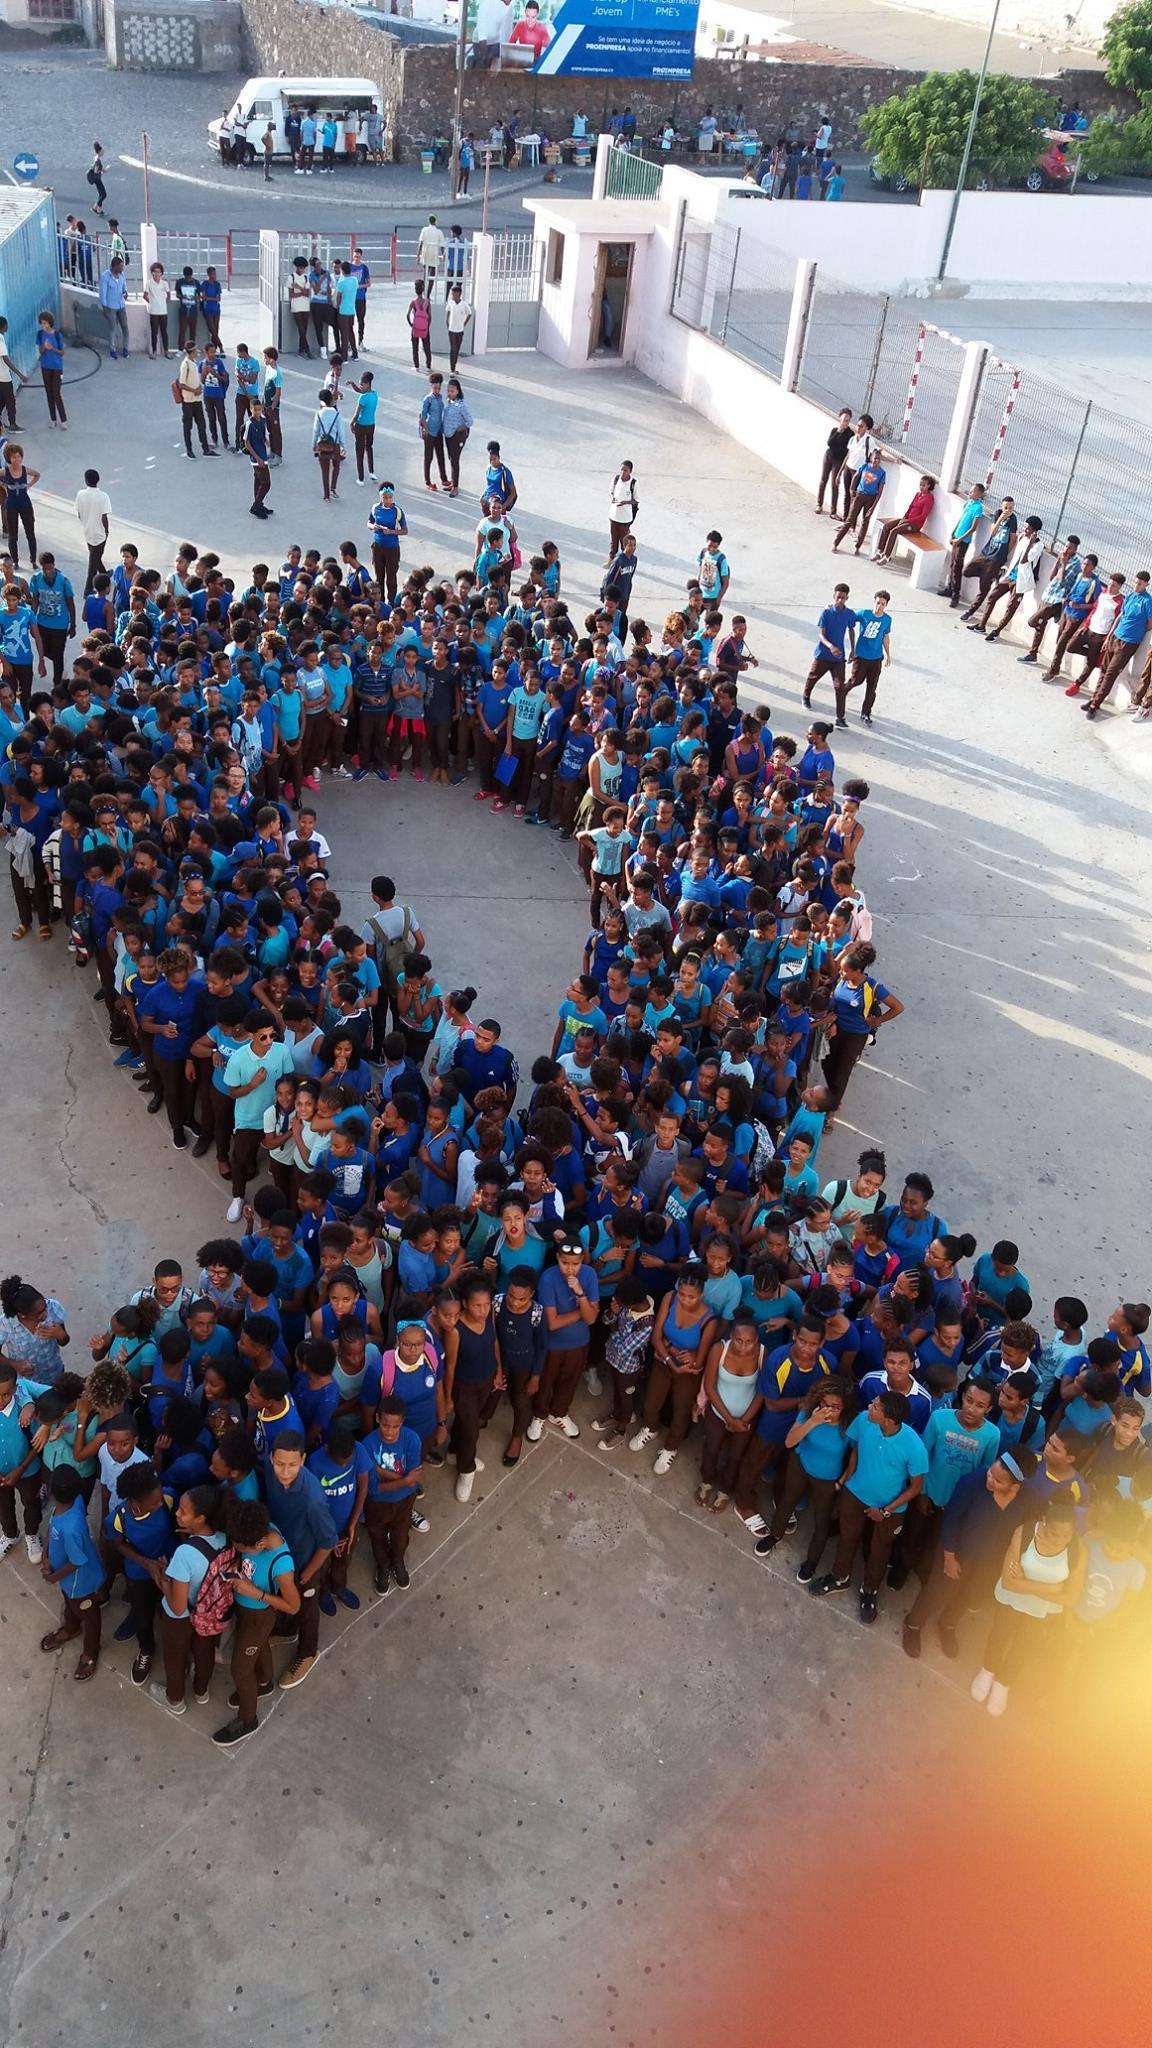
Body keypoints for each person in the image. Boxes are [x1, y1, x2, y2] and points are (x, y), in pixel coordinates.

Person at [970, 1492, 1085, 1716]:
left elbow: (1071, 1598)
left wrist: (1024, 1583)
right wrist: (1052, 1589)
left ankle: (1003, 1683)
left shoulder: (1078, 1551)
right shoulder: (1024, 1533)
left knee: (1024, 1645)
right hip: (1011, 1601)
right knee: (999, 1635)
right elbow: (1008, 1582)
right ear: (1044, 1522)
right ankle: (988, 1669)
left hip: (1040, 1611)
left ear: (1073, 1532)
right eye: (1054, 1533)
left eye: (1066, 1535)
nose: (1059, 1540)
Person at [873, 475, 935, 563]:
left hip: (914, 525)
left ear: (929, 486)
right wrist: (904, 518)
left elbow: (923, 516)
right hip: (907, 520)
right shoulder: (918, 494)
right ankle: (880, 551)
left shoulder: (929, 499)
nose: (921, 487)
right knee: (887, 526)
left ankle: (887, 556)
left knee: (894, 531)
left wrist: (907, 521)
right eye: (920, 485)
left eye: (923, 485)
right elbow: (910, 507)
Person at [74, 468, 111, 594]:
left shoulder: (80, 494)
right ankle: (88, 588)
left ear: (86, 481)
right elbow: (104, 517)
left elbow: (79, 513)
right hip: (99, 534)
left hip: (87, 531)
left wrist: (85, 523)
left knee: (95, 556)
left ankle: (104, 573)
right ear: (98, 480)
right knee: (93, 562)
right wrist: (106, 531)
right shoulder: (103, 496)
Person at [176, 342, 213, 460]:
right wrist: (194, 391)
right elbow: (181, 384)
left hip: (197, 400)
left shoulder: (193, 363)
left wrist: (199, 388)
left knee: (202, 425)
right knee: (188, 426)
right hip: (188, 401)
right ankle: (189, 451)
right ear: (191, 352)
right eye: (196, 350)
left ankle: (206, 450)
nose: (197, 352)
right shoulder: (185, 365)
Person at [312, 388, 347, 502]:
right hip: (335, 445)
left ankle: (326, 496)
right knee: (336, 466)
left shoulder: (319, 414)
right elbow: (341, 432)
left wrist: (314, 445)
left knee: (325, 471)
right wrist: (344, 446)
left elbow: (316, 431)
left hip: (322, 445)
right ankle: (333, 488)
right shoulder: (337, 414)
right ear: (331, 400)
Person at [243, 397, 273, 522]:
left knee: (258, 481)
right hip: (257, 458)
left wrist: (267, 442)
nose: (257, 412)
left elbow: (263, 434)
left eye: (259, 410)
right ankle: (255, 507)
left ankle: (259, 504)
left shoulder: (263, 420)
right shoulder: (249, 424)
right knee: (266, 483)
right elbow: (247, 443)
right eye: (255, 410)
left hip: (263, 454)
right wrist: (257, 458)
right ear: (250, 410)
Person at [35, 312, 67, 427]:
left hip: (57, 367)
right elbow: (40, 351)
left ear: (50, 323)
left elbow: (62, 352)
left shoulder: (57, 335)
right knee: (49, 393)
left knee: (56, 393)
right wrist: (44, 347)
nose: (43, 325)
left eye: (45, 323)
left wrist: (52, 348)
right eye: (42, 323)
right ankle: (53, 420)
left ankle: (63, 420)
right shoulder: (40, 334)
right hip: (45, 367)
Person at [443, 375, 473, 496]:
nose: (450, 393)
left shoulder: (462, 405)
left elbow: (470, 421)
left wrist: (460, 429)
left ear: (458, 391)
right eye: (449, 391)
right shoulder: (449, 402)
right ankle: (452, 482)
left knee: (455, 460)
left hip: (457, 437)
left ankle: (455, 487)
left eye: (453, 391)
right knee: (451, 459)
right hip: (448, 435)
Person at [419, 372, 449, 491]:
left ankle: (444, 479)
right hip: (430, 431)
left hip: (439, 431)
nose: (437, 390)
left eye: (439, 388)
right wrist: (425, 429)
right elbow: (423, 416)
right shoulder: (428, 399)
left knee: (441, 455)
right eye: (435, 388)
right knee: (429, 457)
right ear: (431, 386)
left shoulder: (440, 398)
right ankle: (427, 481)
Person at [98, 257, 130, 361]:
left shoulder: (122, 275)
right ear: (114, 266)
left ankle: (126, 349)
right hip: (111, 307)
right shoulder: (105, 276)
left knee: (125, 327)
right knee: (112, 328)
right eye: (121, 266)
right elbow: (103, 293)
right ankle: (112, 350)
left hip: (121, 305)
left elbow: (124, 287)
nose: (122, 268)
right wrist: (105, 308)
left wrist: (125, 293)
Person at [349, 371, 378, 486]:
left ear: (367, 384)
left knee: (359, 451)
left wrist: (351, 423)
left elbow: (357, 414)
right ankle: (371, 472)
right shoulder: (375, 394)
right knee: (369, 447)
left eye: (362, 384)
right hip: (371, 425)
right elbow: (361, 391)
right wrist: (353, 385)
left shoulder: (362, 398)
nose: (360, 386)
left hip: (361, 425)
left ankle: (360, 478)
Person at [146, 262, 171, 358]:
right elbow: (145, 295)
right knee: (154, 332)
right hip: (153, 311)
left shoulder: (164, 283)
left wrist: (163, 302)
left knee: (164, 332)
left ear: (161, 273)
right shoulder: (149, 283)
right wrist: (152, 302)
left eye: (159, 272)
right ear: (152, 272)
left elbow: (168, 295)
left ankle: (166, 351)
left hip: (163, 311)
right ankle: (154, 352)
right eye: (155, 271)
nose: (157, 274)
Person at [446, 285, 472, 373]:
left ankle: (454, 366)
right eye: (452, 293)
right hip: (452, 330)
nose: (452, 295)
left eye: (453, 293)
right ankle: (452, 369)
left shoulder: (464, 304)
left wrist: (464, 323)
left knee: (457, 349)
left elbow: (469, 313)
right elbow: (447, 311)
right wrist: (447, 322)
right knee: (453, 349)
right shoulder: (450, 303)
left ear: (458, 294)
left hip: (460, 331)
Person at [407, 280, 432, 371]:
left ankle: (416, 366)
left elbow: (407, 315)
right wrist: (427, 326)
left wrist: (411, 324)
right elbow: (430, 316)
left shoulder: (413, 302)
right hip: (425, 328)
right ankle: (428, 366)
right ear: (423, 289)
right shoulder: (427, 302)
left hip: (416, 328)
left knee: (415, 347)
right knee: (427, 347)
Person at [87, 140, 108, 215]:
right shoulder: (97, 161)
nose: (103, 152)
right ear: (99, 152)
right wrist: (103, 170)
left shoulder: (95, 158)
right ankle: (95, 207)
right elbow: (96, 171)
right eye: (102, 151)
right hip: (97, 179)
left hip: (97, 178)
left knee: (100, 194)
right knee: (104, 195)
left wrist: (101, 171)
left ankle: (99, 209)